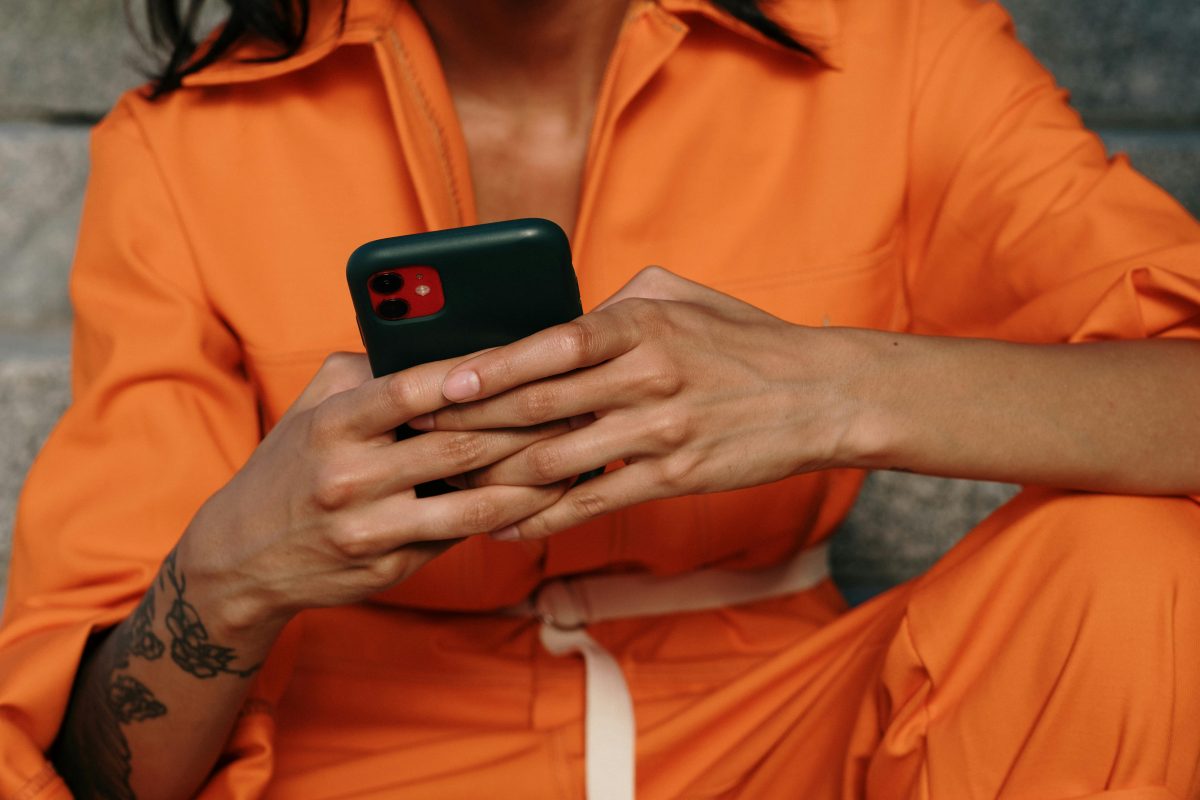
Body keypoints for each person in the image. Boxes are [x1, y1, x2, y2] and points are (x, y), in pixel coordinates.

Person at [2, 0, 1199, 797]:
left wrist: (838, 385)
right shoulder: (182, 147)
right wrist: (230, 571)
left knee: (1133, 559)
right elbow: (98, 774)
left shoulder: (892, 49)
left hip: (794, 736)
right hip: (365, 754)